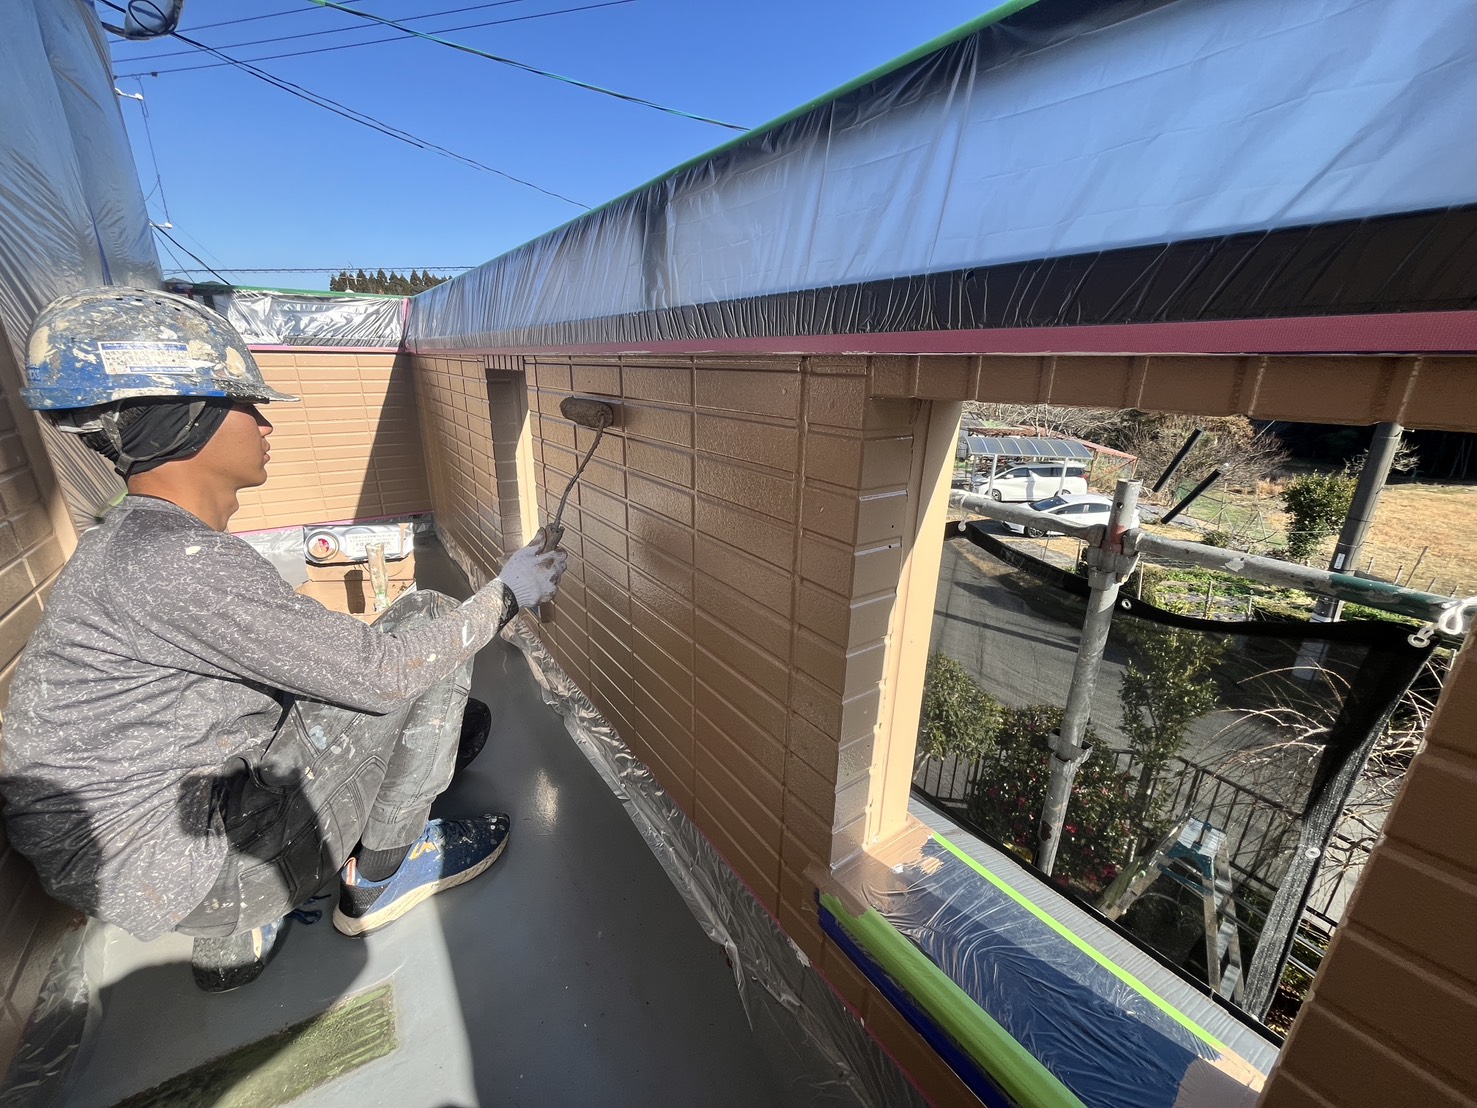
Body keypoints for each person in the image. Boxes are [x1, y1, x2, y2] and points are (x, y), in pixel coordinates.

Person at [0, 287, 568, 992]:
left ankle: (230, 937)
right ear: (187, 419)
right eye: (246, 405)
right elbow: (386, 673)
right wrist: (508, 592)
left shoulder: (132, 543)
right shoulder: (174, 562)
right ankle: (379, 879)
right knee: (426, 624)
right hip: (206, 869)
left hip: (147, 859)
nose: (266, 424)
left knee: (459, 724)